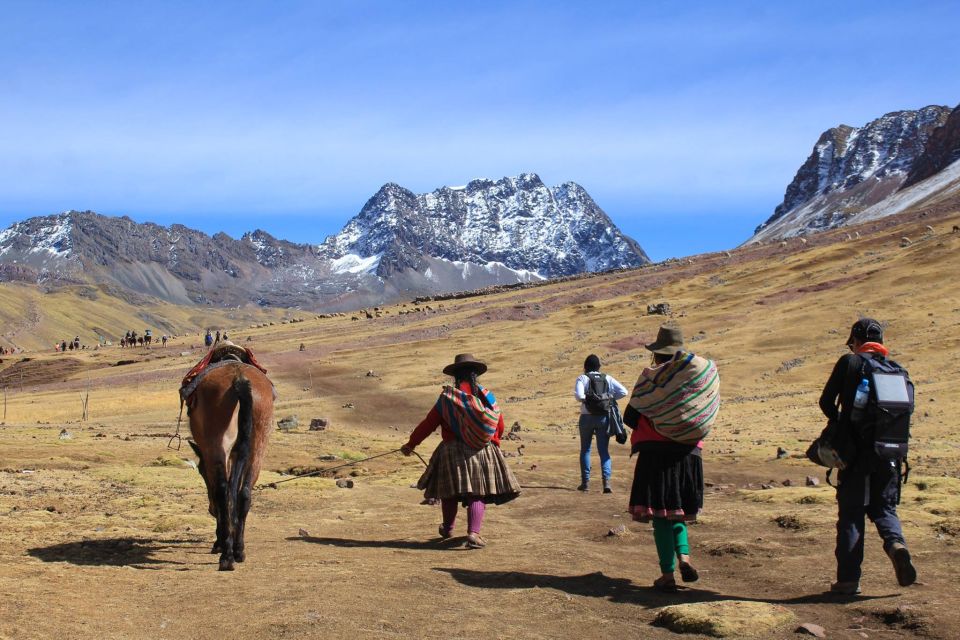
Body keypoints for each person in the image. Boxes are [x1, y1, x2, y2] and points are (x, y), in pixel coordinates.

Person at [819, 318, 916, 595]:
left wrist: (840, 424)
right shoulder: (898, 371)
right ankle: (895, 544)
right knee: (884, 508)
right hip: (890, 455)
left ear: (857, 341)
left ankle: (848, 581)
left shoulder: (851, 363)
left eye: (852, 343)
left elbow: (826, 401)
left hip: (856, 454)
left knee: (851, 514)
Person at [401, 353, 521, 548]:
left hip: (451, 450)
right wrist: (494, 442)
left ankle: (448, 528)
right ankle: (473, 534)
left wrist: (411, 444)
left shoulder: (448, 398)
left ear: (455, 376)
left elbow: (428, 424)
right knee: (477, 492)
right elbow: (498, 423)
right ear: (475, 374)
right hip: (481, 450)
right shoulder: (487, 396)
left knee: (450, 493)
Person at [623, 326, 706, 592]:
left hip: (655, 454)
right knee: (677, 511)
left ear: (656, 355)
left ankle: (667, 574)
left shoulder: (652, 381)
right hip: (689, 454)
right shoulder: (695, 379)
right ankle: (685, 557)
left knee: (660, 514)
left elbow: (630, 417)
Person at [573, 354, 628, 493]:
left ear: (585, 367)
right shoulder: (607, 378)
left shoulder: (583, 378)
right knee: (604, 451)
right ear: (599, 367)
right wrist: (607, 399)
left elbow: (579, 396)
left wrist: (589, 400)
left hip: (586, 418)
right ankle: (606, 483)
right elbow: (624, 392)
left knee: (585, 449)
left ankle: (585, 483)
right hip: (604, 418)